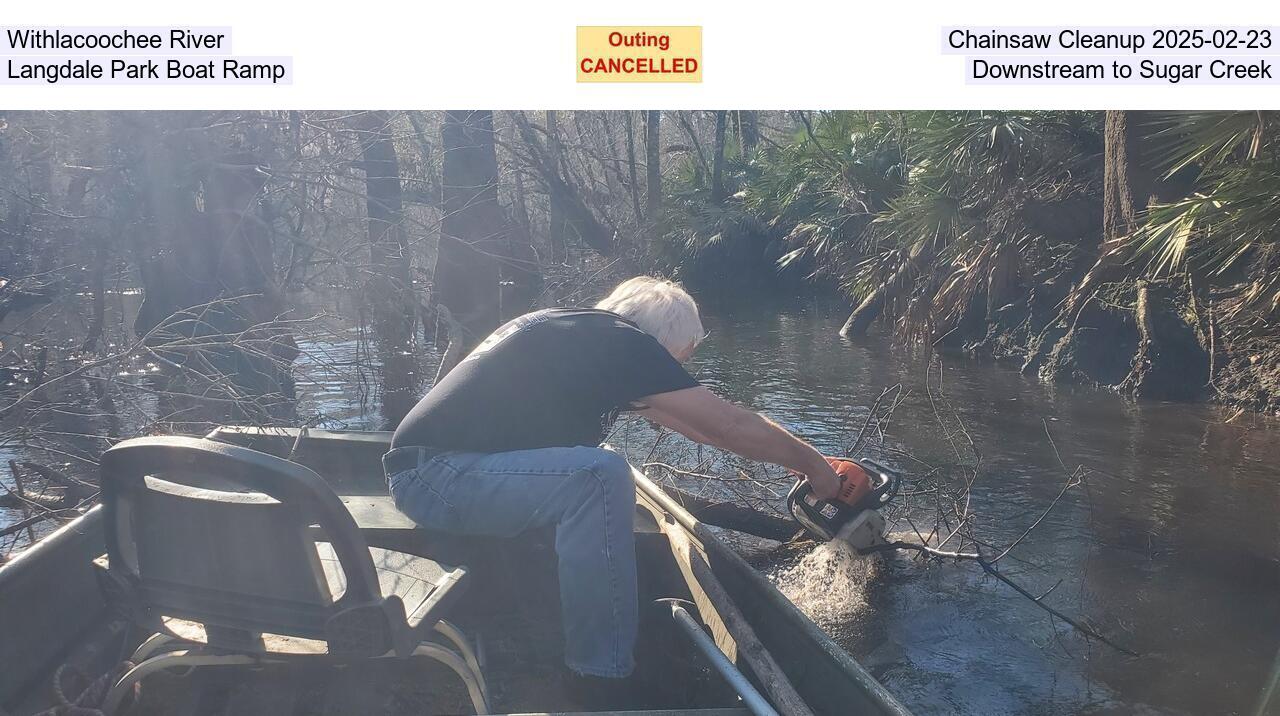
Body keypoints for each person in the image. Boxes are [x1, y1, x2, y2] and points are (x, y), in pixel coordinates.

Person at [383, 276, 841, 686]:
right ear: (662, 338)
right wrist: (818, 468)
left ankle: (577, 632)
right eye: (682, 356)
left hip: (439, 473)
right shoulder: (620, 342)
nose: (680, 368)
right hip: (436, 477)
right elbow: (729, 425)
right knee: (600, 476)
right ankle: (601, 669)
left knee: (598, 466)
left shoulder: (582, 335)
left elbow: (702, 428)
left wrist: (797, 459)